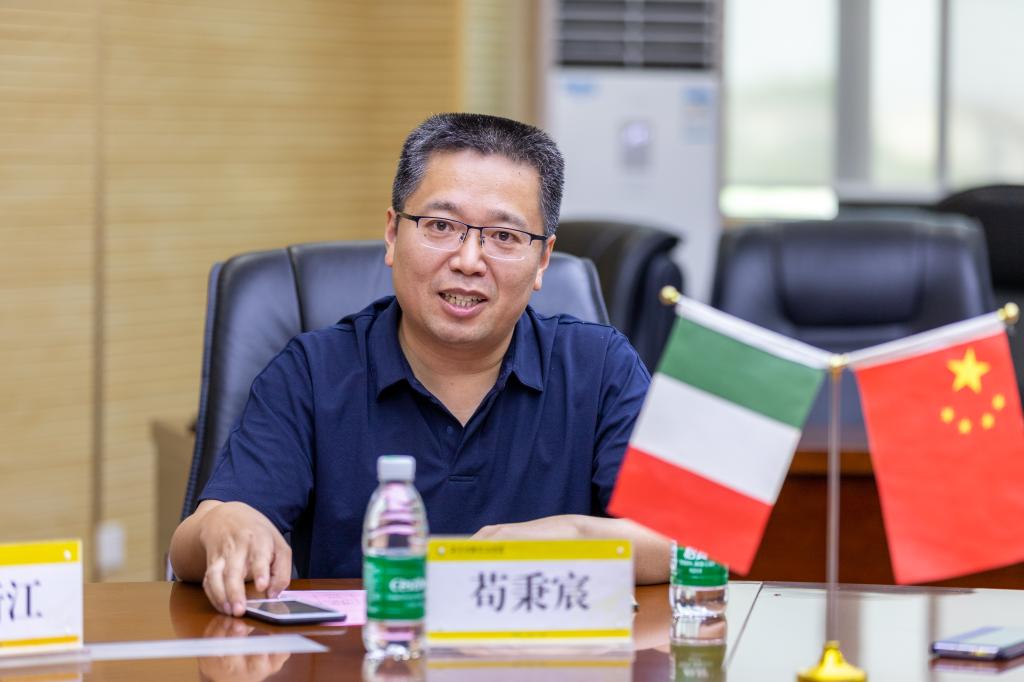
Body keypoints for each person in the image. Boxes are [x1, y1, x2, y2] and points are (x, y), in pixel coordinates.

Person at [170, 113, 671, 617]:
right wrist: (226, 526)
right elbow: (190, 545)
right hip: (365, 653)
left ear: (542, 260)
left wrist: (575, 535)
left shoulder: (599, 368)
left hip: (542, 654)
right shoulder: (312, 373)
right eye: (441, 226)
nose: (469, 260)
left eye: (504, 236)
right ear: (392, 234)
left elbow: (684, 542)